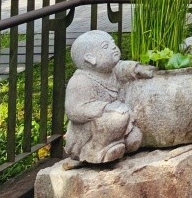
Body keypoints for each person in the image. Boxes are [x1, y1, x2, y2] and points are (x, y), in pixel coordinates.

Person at [64, 30, 154, 164]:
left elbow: (122, 67)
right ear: (90, 58)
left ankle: (118, 146)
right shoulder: (80, 81)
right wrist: (106, 108)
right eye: (106, 46)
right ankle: (95, 151)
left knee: (135, 137)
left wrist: (136, 69)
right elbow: (74, 110)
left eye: (113, 43)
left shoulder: (111, 70)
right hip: (91, 131)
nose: (113, 47)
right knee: (116, 119)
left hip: (119, 120)